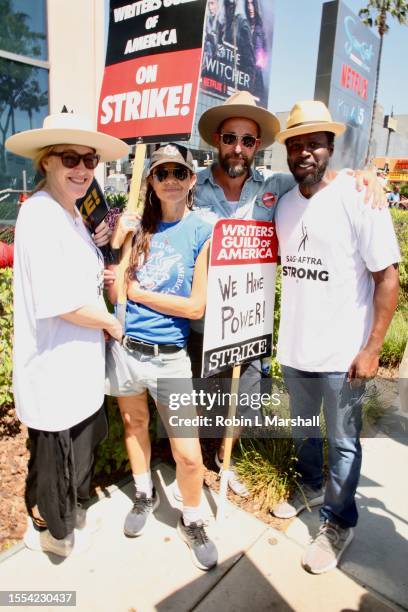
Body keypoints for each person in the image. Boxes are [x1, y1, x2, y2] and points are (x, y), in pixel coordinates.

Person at [190, 89, 385, 498]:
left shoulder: (276, 187)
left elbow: (324, 182)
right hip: (207, 325)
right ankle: (192, 472)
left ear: (257, 146)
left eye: (248, 140)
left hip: (252, 329)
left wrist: (364, 175)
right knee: (196, 405)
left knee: (251, 405)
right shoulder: (191, 187)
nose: (239, 148)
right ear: (217, 141)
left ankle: (238, 467)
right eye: (230, 139)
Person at [271, 100, 400, 574]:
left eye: (314, 144)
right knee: (304, 430)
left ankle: (339, 521)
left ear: (330, 148)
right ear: (288, 151)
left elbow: (388, 279)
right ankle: (310, 485)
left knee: (343, 441)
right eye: (296, 144)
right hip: (297, 348)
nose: (305, 152)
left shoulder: (358, 198)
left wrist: (372, 349)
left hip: (345, 354)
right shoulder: (284, 205)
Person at [5, 111, 129, 557]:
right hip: (53, 367)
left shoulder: (73, 215)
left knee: (78, 452)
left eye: (89, 160)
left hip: (78, 365)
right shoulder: (40, 214)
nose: (81, 169)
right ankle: (48, 534)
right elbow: (62, 301)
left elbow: (85, 277)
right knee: (53, 462)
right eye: (69, 158)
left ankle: (68, 518)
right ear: (46, 162)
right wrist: (111, 323)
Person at [106, 143, 218, 571]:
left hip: (170, 357)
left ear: (191, 180)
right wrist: (120, 244)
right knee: (135, 426)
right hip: (128, 349)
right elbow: (116, 293)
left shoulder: (201, 231)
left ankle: (191, 519)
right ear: (150, 182)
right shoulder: (138, 228)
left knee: (187, 454)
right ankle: (144, 494)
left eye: (178, 172)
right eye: (161, 173)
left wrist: (140, 294)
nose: (170, 179)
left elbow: (195, 308)